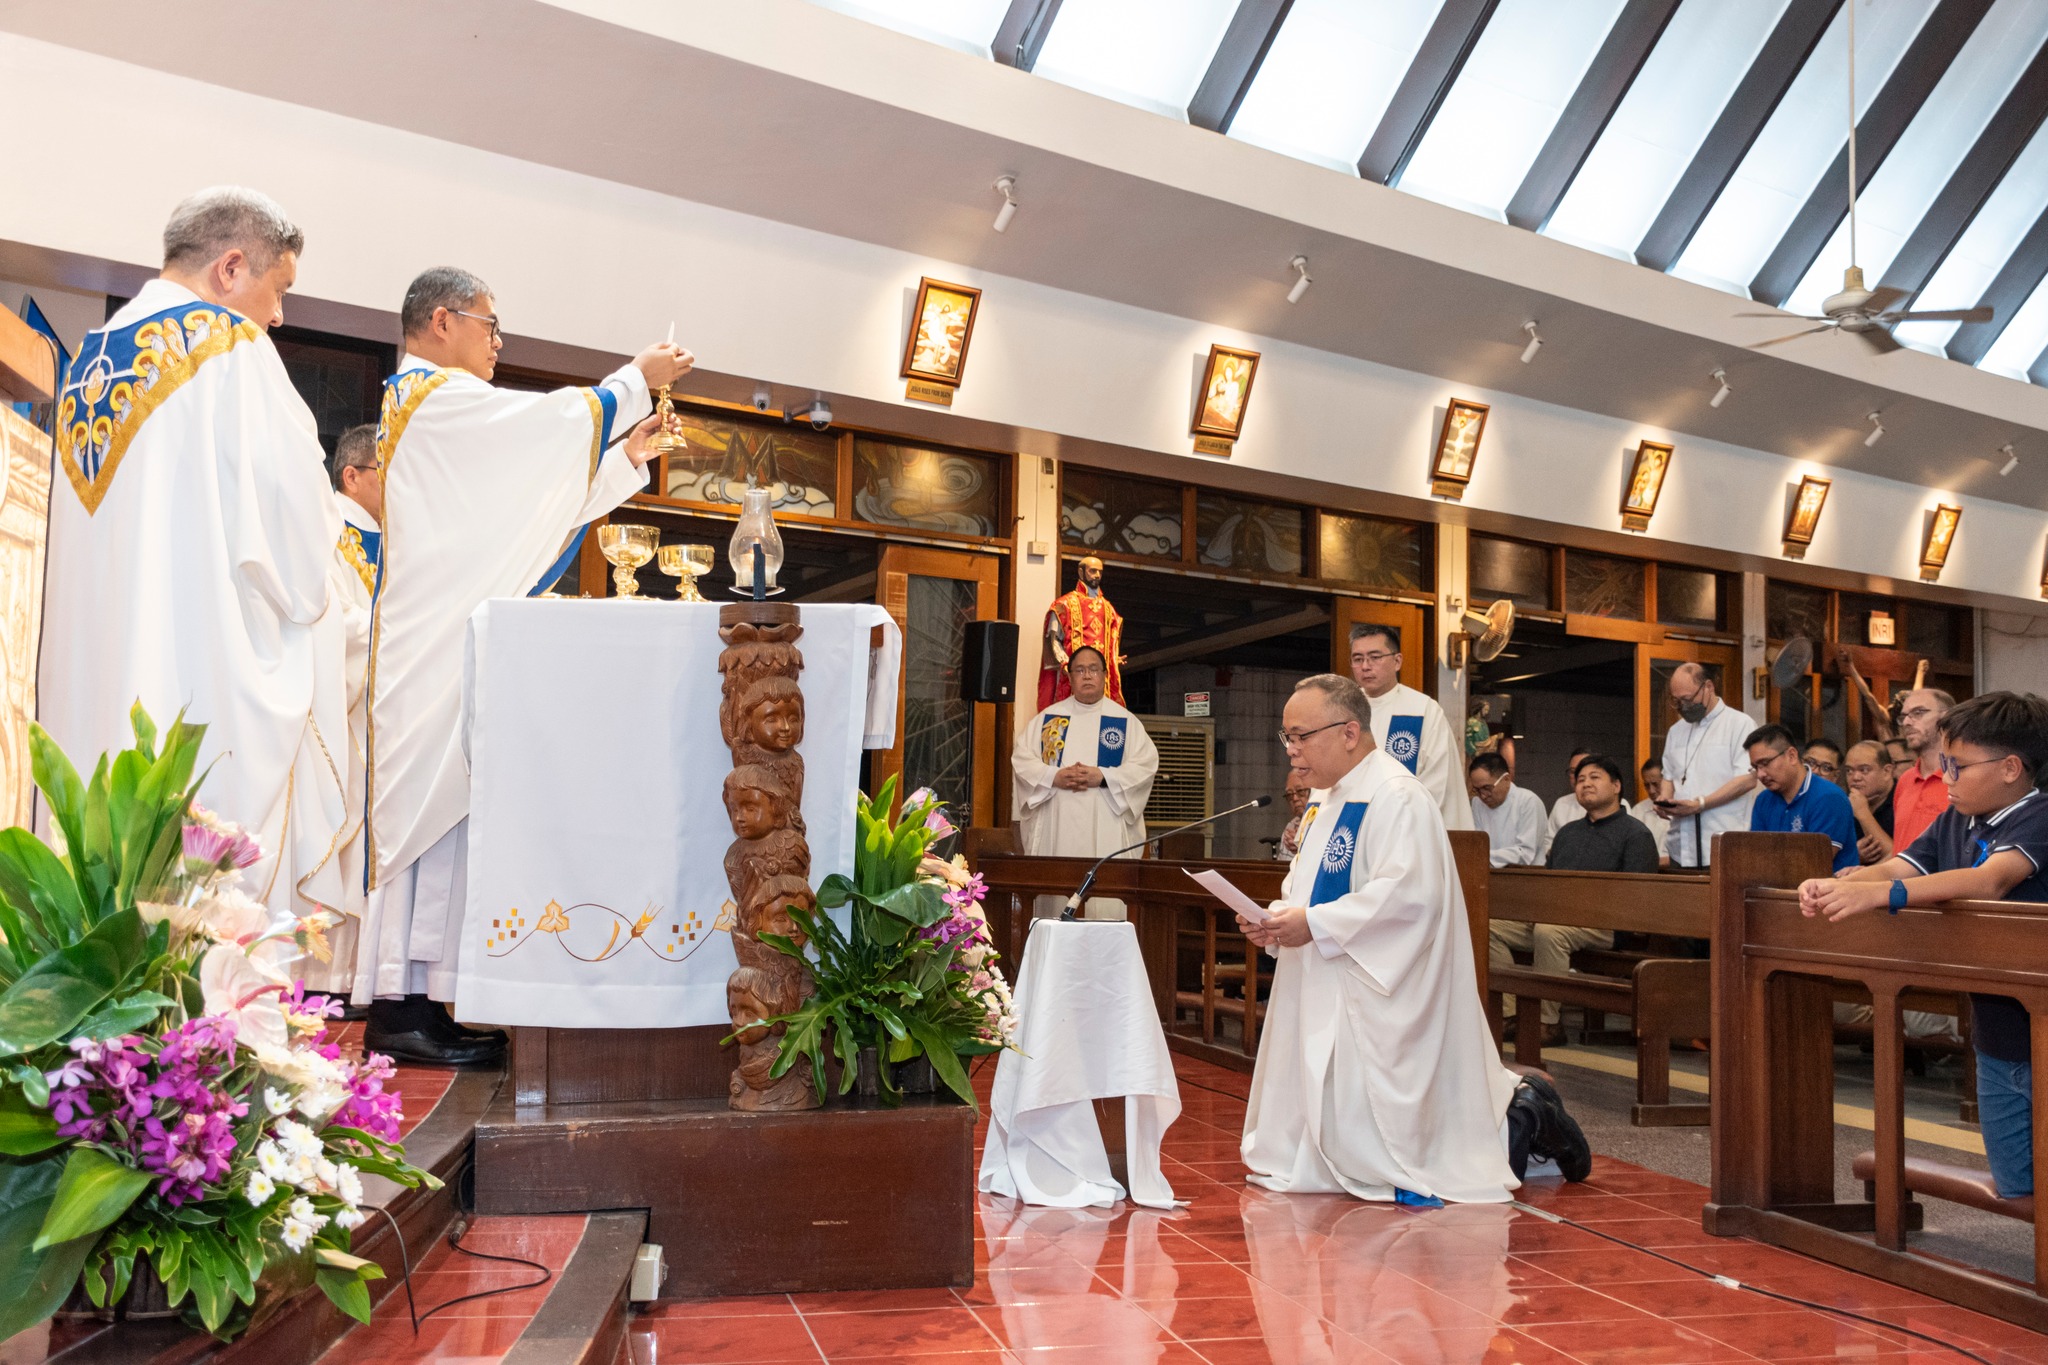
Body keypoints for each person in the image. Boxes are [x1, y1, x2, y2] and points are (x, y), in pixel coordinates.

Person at [358, 266, 690, 1063]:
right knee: (427, 820)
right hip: (430, 642)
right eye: (489, 323)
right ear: (441, 321)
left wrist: (620, 461)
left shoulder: (432, 405)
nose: (498, 341)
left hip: (442, 636)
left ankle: (426, 998)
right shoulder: (432, 396)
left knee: (449, 815)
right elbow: (541, 429)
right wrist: (631, 383)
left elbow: (520, 499)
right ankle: (401, 1009)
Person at [38, 186, 346, 932]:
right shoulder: (234, 349)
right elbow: (301, 540)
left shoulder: (85, 363)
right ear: (232, 267)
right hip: (190, 665)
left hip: (86, 673)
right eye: (279, 291)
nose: (278, 316)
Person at [1239, 674, 1590, 1201]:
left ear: (1349, 731)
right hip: (1325, 977)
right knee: (1339, 1118)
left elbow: (1409, 897)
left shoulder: (1398, 795)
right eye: (1286, 737)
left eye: (1300, 736)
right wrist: (1274, 919)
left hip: (1380, 984)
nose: (1291, 751)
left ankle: (1526, 1116)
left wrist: (1314, 925)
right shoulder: (1324, 799)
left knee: (1400, 1136)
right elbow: (1304, 885)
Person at [1801, 691, 2048, 1201]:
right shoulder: (1959, 817)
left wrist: (1880, 894)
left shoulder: (2038, 815)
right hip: (1998, 1032)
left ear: (2010, 768)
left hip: (2041, 1022)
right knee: (2017, 1182)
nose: (1947, 778)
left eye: (1957, 766)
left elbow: (1990, 881)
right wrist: (1840, 883)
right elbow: (1904, 865)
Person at [1494, 754, 1657, 1044]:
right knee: (1489, 925)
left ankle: (1548, 1023)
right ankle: (1509, 1014)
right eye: (1580, 779)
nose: (1585, 784)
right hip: (1557, 919)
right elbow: (1550, 882)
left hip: (1606, 925)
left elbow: (1639, 898)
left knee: (1549, 932)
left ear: (1617, 786)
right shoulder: (1568, 833)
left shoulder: (1636, 834)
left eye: (1595, 777)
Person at [302, 423, 382, 1000]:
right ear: (352, 476)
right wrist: (396, 631)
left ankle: (363, 976)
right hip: (342, 711)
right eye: (389, 470)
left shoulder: (390, 534)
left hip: (382, 712)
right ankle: (328, 977)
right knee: (345, 830)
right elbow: (329, 619)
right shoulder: (328, 527)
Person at [1011, 646, 1159, 918]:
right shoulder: (1049, 720)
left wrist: (1103, 777)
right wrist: (1053, 776)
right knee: (1056, 907)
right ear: (1070, 676)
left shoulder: (1123, 721)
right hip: (1058, 836)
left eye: (1093, 669)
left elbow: (1145, 765)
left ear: (1104, 675)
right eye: (1080, 670)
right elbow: (1022, 760)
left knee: (1103, 911)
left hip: (1106, 831)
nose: (1087, 675)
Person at [1347, 623, 1471, 830]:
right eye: (1357, 659)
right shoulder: (1343, 710)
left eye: (1375, 657)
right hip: (1353, 826)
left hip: (1406, 830)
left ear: (1397, 661)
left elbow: (1438, 782)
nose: (1365, 666)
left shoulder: (1422, 711)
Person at [1654, 663, 1756, 867]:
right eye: (1677, 701)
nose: (1683, 707)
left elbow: (1747, 779)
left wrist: (1701, 803)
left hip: (1722, 843)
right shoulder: (1676, 731)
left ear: (1708, 687)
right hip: (1680, 844)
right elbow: (1669, 776)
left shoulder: (1739, 724)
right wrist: (1664, 799)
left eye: (1687, 699)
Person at [1745, 725, 1858, 873]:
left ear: (1791, 756)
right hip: (1777, 891)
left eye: (1765, 764)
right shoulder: (1763, 800)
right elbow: (1757, 857)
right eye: (1755, 767)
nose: (1760, 775)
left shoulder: (1829, 797)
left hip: (1828, 891)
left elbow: (1814, 863)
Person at [1039, 556, 1125, 710]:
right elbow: (1053, 639)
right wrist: (1066, 664)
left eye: (1100, 572)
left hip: (1100, 680)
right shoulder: (1063, 605)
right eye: (1092, 571)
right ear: (1081, 572)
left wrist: (1112, 658)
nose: (1097, 575)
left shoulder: (1108, 608)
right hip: (1072, 678)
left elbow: (1109, 642)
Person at [1891, 689, 1956, 852]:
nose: (1906, 722)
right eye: (1903, 716)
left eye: (1918, 712)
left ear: (1946, 718)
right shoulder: (1905, 780)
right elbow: (1902, 848)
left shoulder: (1962, 779)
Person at [1467, 752, 1543, 869]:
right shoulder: (1477, 803)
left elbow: (1525, 853)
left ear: (1506, 779)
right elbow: (1477, 843)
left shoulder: (1528, 801)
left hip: (1526, 877)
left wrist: (1483, 857)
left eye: (1487, 788)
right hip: (1487, 873)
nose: (1483, 796)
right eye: (1477, 790)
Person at [1843, 740, 1896, 866]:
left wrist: (1863, 814)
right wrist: (1854, 856)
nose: (1855, 777)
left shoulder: (1902, 799)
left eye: (1864, 770)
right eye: (1849, 771)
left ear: (1887, 772)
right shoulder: (1845, 802)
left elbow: (1898, 857)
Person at [1539, 747, 1594, 858]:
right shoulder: (1561, 804)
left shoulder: (1615, 803)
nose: (1577, 776)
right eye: (1573, 772)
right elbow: (1548, 843)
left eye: (1582, 770)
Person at [1635, 759, 1671, 864]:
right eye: (1647, 785)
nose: (1651, 790)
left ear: (1666, 781)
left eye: (1655, 784)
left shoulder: (1683, 809)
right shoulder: (1638, 811)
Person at [1276, 773, 1312, 860]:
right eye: (1289, 794)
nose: (1294, 798)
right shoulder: (1290, 826)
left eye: (1300, 791)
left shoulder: (1325, 824)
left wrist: (1303, 848)